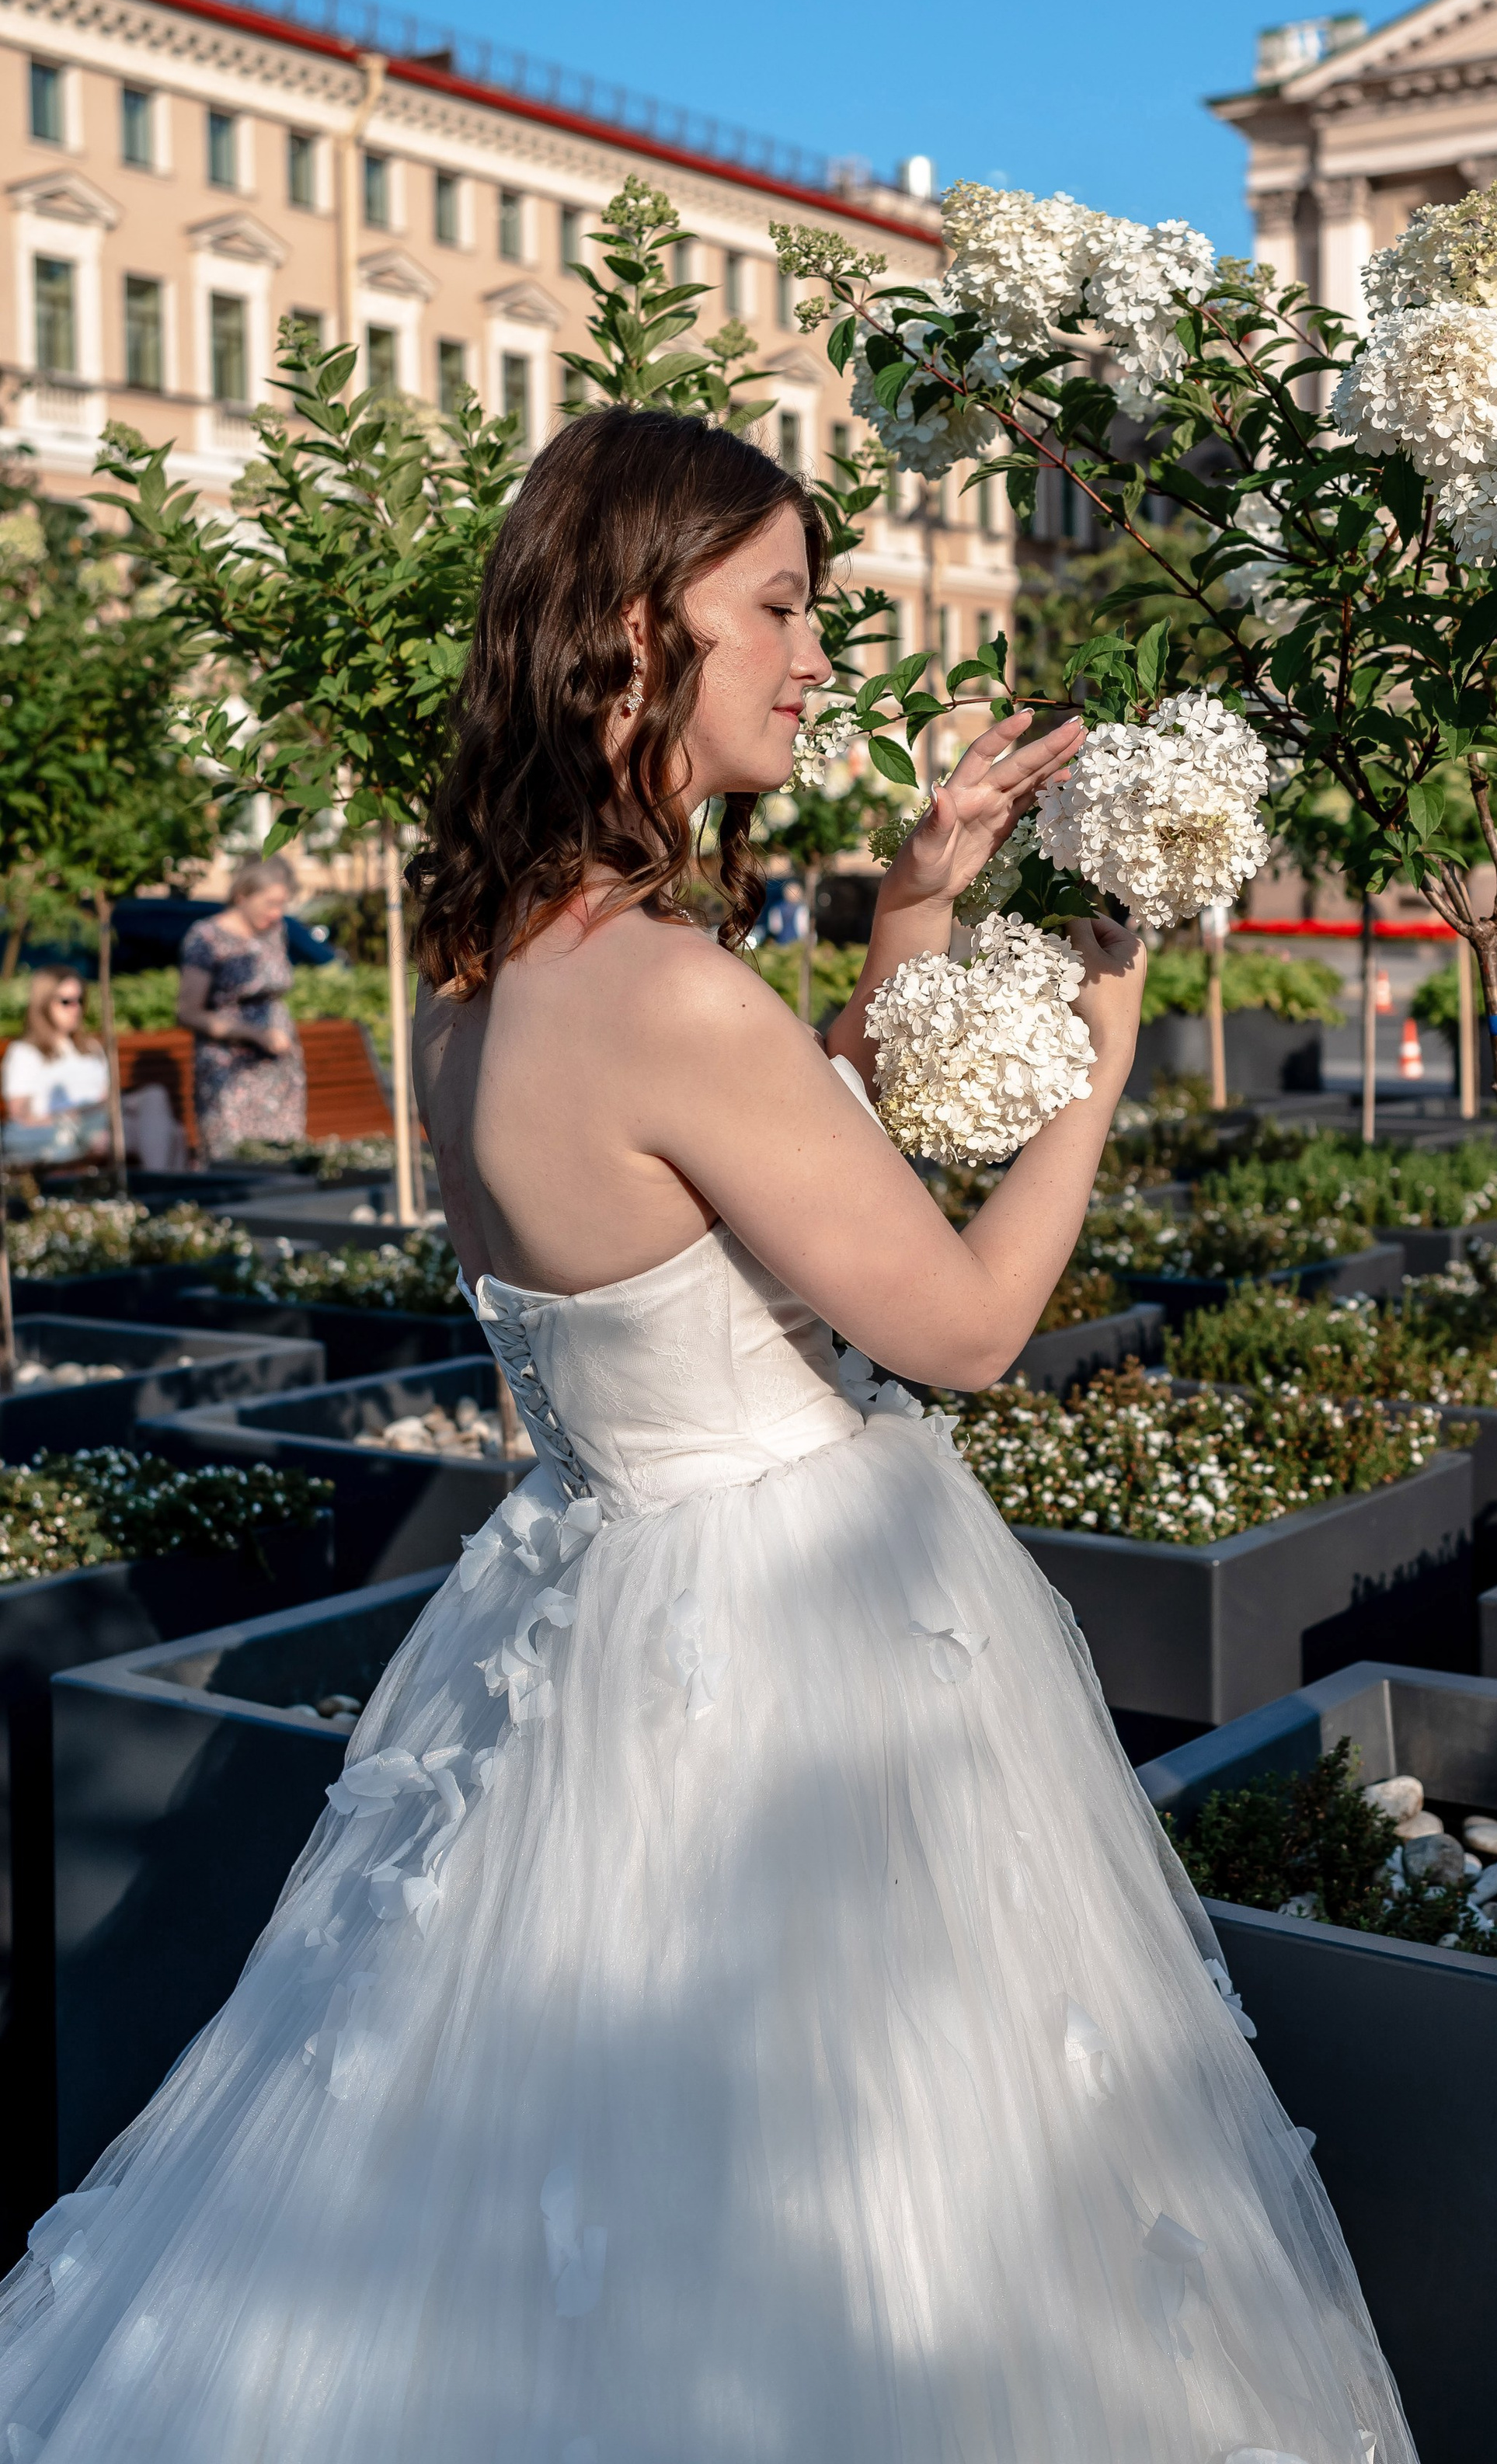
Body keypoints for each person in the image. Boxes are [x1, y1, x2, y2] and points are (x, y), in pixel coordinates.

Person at [0, 409, 1414, 2464]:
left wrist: (915, 919)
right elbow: (965, 1325)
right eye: (778, 607)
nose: (815, 656)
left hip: (595, 1588)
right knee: (889, 2203)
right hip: (790, 1631)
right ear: (634, 634)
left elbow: (754, 1160)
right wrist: (1108, 1057)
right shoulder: (670, 993)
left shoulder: (493, 976)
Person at [176, 855, 307, 1157]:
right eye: (270, 903)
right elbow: (188, 1012)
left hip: (278, 1069)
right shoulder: (207, 938)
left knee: (284, 1156)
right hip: (230, 1068)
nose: (277, 914)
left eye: (282, 905)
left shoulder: (275, 932)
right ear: (242, 895)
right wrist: (253, 1033)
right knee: (235, 1157)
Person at [1, 969, 109, 1161]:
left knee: (154, 1104)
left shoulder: (91, 1048)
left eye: (80, 1001)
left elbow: (106, 1098)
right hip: (56, 1131)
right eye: (66, 1001)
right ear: (43, 1003)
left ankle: (167, 1186)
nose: (76, 1008)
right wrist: (67, 1118)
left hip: (99, 1122)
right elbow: (20, 1113)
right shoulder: (25, 1052)